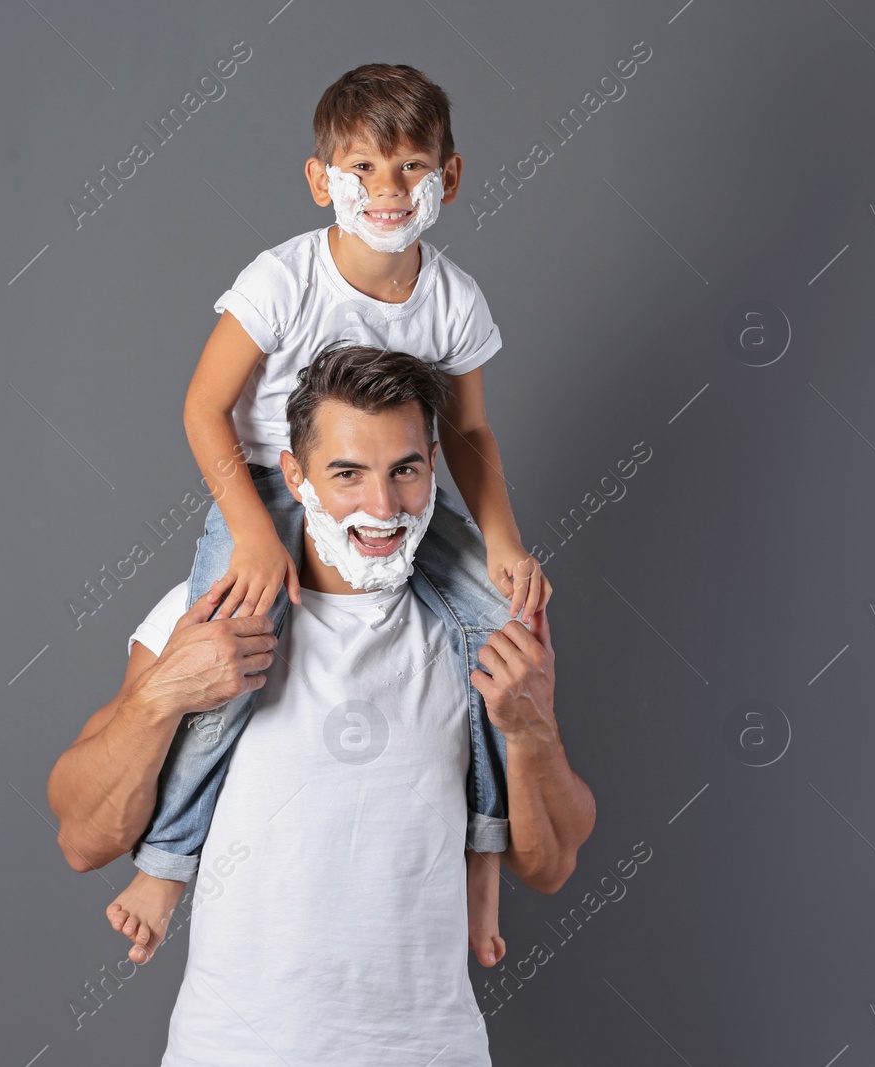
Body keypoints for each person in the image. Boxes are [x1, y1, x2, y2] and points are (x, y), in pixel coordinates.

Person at [106, 62, 551, 969]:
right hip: (269, 488)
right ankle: (167, 859)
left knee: (502, 634)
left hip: (398, 501)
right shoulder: (284, 280)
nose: (388, 191)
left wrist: (503, 541)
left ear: (449, 179)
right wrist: (256, 533)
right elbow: (203, 408)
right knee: (225, 650)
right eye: (363, 170)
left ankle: (482, 865)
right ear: (322, 181)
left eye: (412, 169)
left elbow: (466, 433)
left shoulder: (454, 299)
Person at [46, 345, 594, 1065]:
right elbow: (83, 838)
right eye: (348, 473)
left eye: (405, 470)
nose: (383, 507)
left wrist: (529, 733)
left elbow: (552, 863)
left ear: (433, 464)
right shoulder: (205, 616)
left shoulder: (481, 633)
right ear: (296, 477)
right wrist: (161, 694)